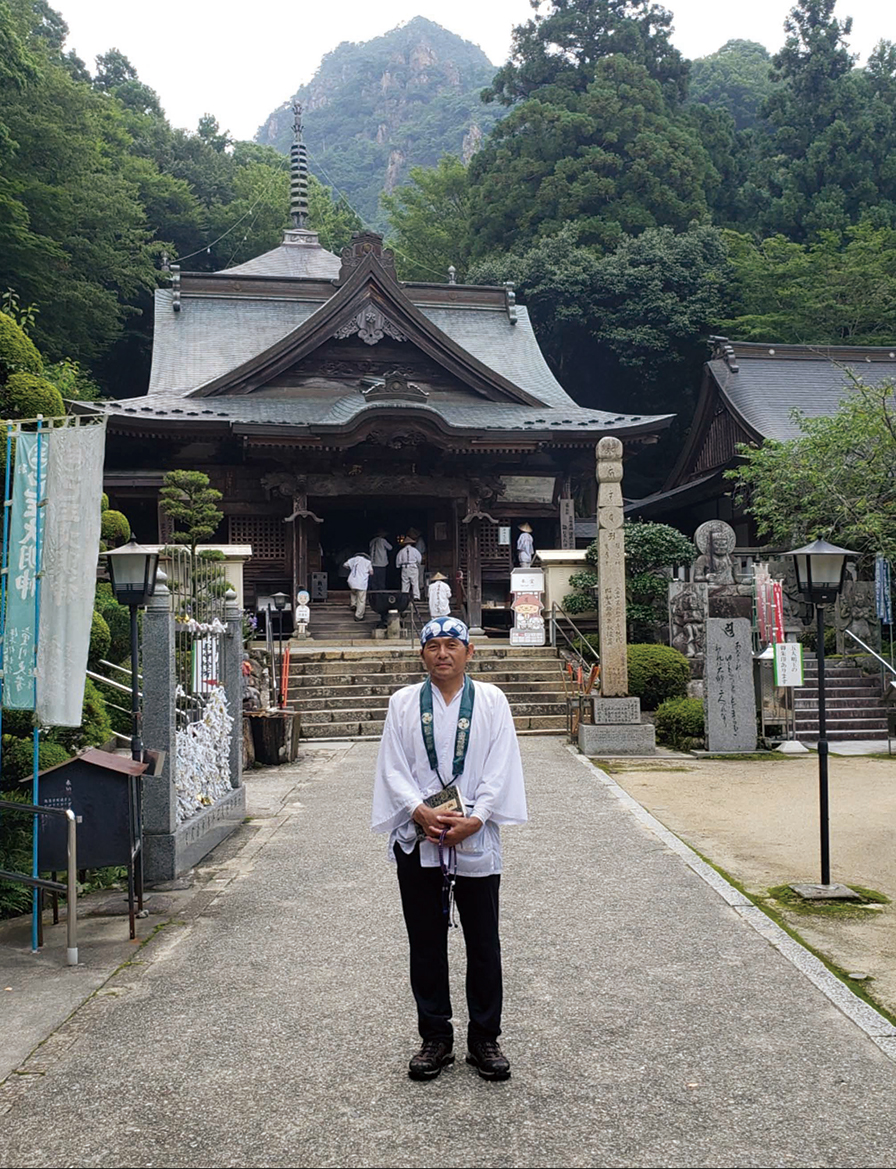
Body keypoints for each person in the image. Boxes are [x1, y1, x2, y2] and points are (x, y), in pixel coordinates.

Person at [372, 616, 528, 1082]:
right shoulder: (403, 704)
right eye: (434, 646)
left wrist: (477, 818)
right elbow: (392, 766)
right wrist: (419, 811)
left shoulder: (491, 700)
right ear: (421, 654)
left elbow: (501, 764)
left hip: (474, 835)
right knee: (425, 941)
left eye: (452, 645)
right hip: (419, 833)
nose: (443, 653)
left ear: (469, 652)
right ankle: (435, 1037)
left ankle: (484, 1038)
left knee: (484, 942)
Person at [343, 550, 373, 620]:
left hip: (352, 581)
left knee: (353, 592)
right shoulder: (367, 562)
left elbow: (345, 565)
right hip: (361, 583)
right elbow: (371, 572)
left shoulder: (353, 559)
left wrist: (351, 569)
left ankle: (353, 604)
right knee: (361, 600)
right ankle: (358, 615)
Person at [397, 536, 422, 600]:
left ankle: (404, 597)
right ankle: (416, 596)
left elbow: (398, 561)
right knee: (415, 582)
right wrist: (418, 564)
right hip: (413, 567)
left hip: (405, 568)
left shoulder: (401, 551)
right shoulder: (415, 550)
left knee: (405, 583)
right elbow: (419, 559)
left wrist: (399, 566)